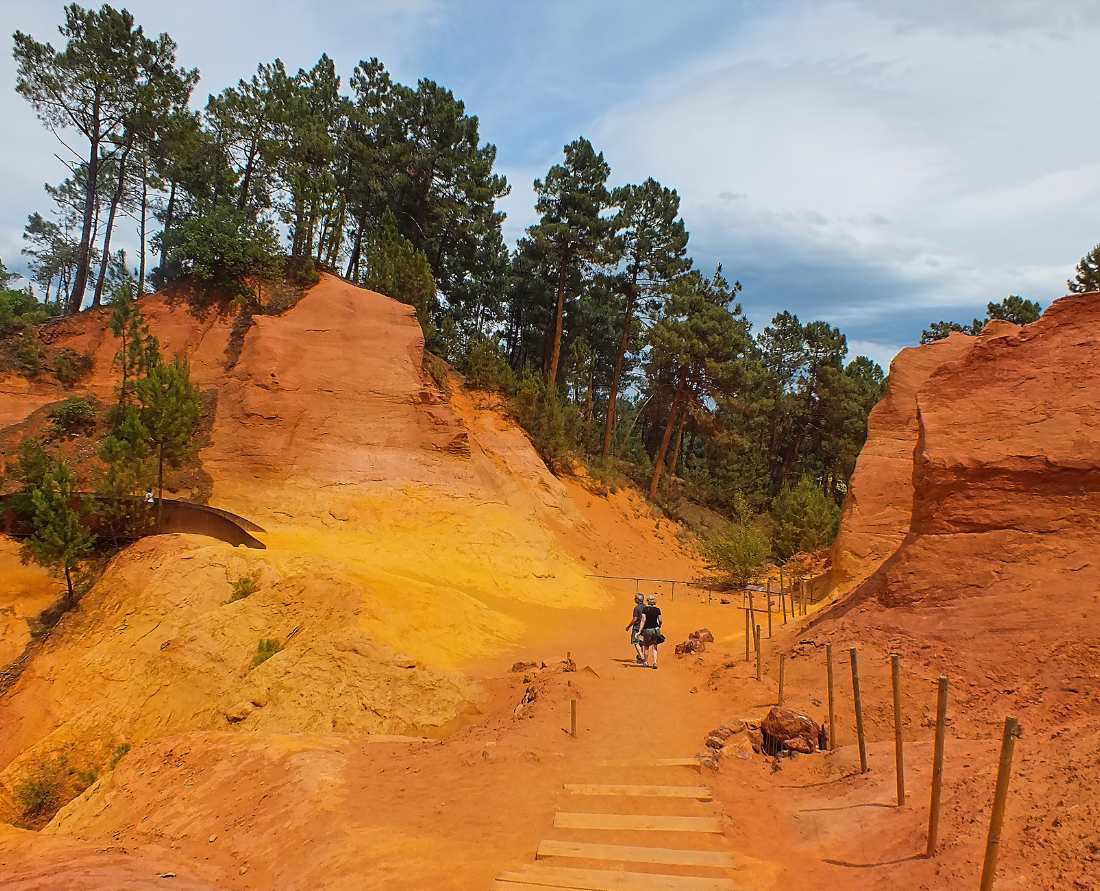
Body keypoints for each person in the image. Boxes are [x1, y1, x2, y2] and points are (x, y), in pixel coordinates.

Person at [640, 594, 664, 669]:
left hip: (647, 629)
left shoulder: (645, 609)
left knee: (646, 646)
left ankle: (646, 662)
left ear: (648, 601)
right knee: (655, 646)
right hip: (655, 629)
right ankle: (655, 663)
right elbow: (660, 620)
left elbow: (643, 620)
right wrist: (659, 625)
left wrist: (640, 630)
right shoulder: (658, 610)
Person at [625, 593, 646, 664]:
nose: (634, 600)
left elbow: (635, 619)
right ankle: (641, 658)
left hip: (637, 628)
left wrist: (628, 626)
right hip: (644, 628)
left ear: (637, 600)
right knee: (641, 643)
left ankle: (642, 657)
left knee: (636, 642)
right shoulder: (646, 607)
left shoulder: (637, 608)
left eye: (635, 598)